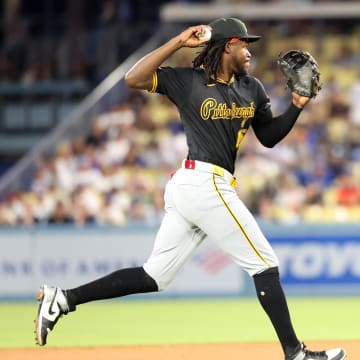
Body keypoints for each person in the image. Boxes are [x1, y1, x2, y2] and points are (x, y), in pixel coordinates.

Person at [34, 17, 346, 360]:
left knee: (155, 276)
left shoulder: (252, 87)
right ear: (228, 45)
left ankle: (62, 299)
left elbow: (269, 137)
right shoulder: (189, 81)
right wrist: (178, 43)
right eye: (244, 44)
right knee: (265, 264)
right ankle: (295, 354)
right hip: (202, 182)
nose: (249, 51)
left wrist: (297, 107)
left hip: (200, 185)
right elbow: (133, 78)